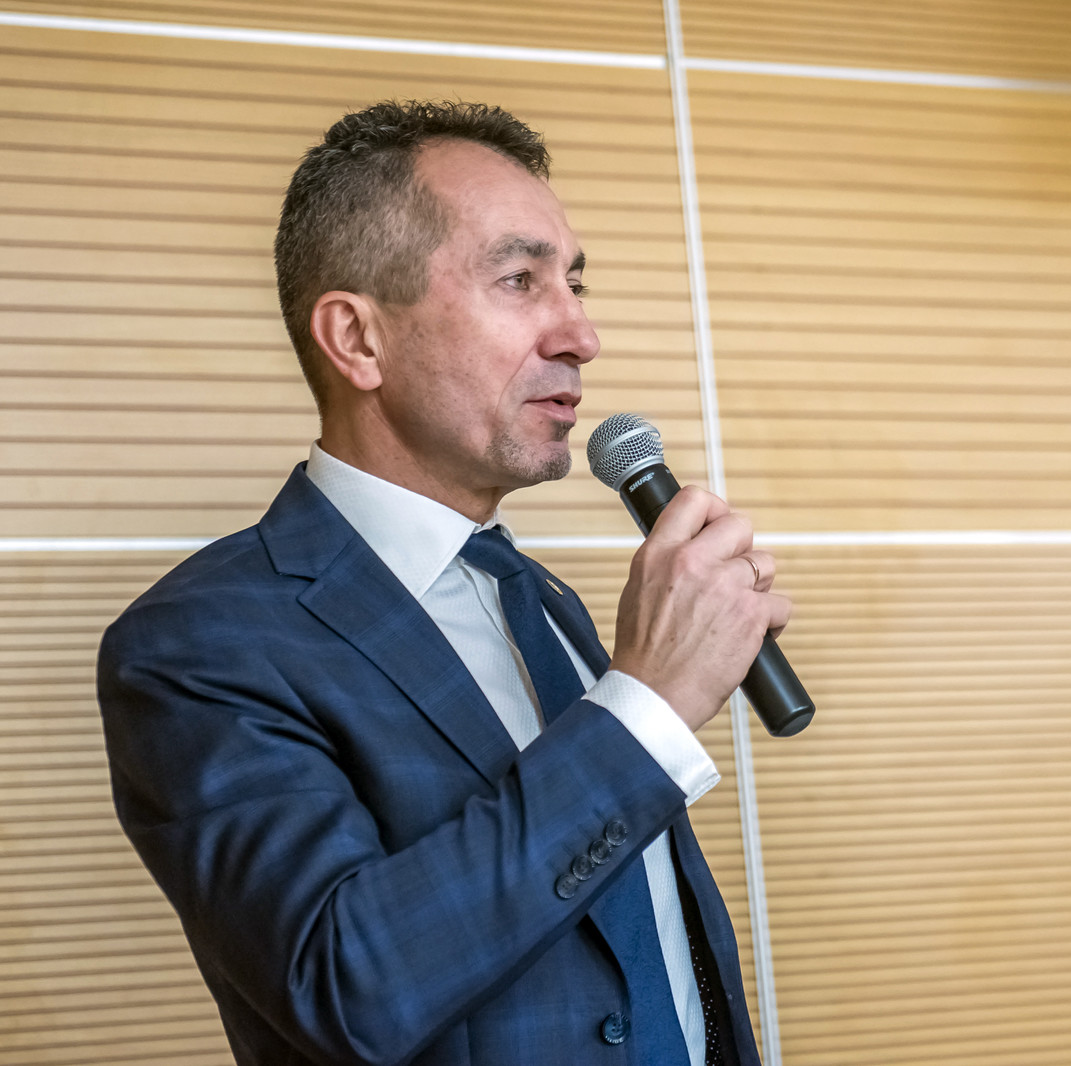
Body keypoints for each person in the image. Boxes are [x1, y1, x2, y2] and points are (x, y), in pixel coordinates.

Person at [96, 100, 787, 1066]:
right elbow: (346, 986)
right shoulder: (195, 645)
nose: (582, 335)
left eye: (576, 283)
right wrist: (648, 706)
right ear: (357, 339)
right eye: (519, 280)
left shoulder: (540, 600)